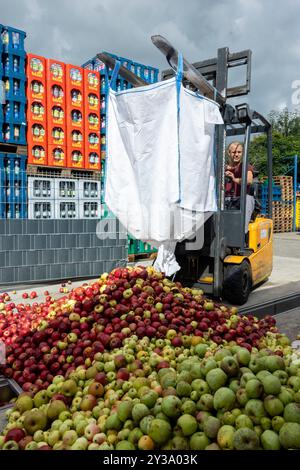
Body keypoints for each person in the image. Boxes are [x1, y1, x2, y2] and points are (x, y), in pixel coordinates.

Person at [225, 141, 255, 234]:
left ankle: (241, 235)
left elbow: (249, 180)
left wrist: (234, 179)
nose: (236, 155)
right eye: (234, 152)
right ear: (228, 153)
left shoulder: (246, 166)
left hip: (240, 200)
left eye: (239, 152)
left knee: (247, 198)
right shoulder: (223, 168)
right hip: (226, 200)